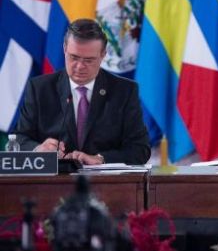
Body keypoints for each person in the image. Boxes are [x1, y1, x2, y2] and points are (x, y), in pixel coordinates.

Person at [13, 19, 151, 165]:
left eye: (89, 60)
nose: (80, 66)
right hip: (52, 183)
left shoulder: (124, 91)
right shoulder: (39, 88)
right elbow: (18, 139)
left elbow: (140, 149)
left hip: (106, 184)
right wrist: (37, 150)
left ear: (103, 54)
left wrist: (100, 159)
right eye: (74, 57)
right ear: (65, 48)